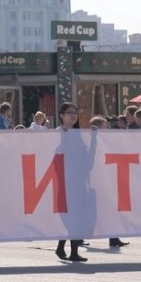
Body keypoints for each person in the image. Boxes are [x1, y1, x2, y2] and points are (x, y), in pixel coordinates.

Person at [55, 102, 87, 262]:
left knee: (77, 216)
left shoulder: (78, 133)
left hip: (78, 180)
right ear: (61, 115)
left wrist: (94, 136)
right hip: (64, 181)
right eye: (69, 112)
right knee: (70, 216)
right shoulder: (57, 133)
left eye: (75, 112)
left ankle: (69, 249)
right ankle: (64, 247)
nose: (73, 115)